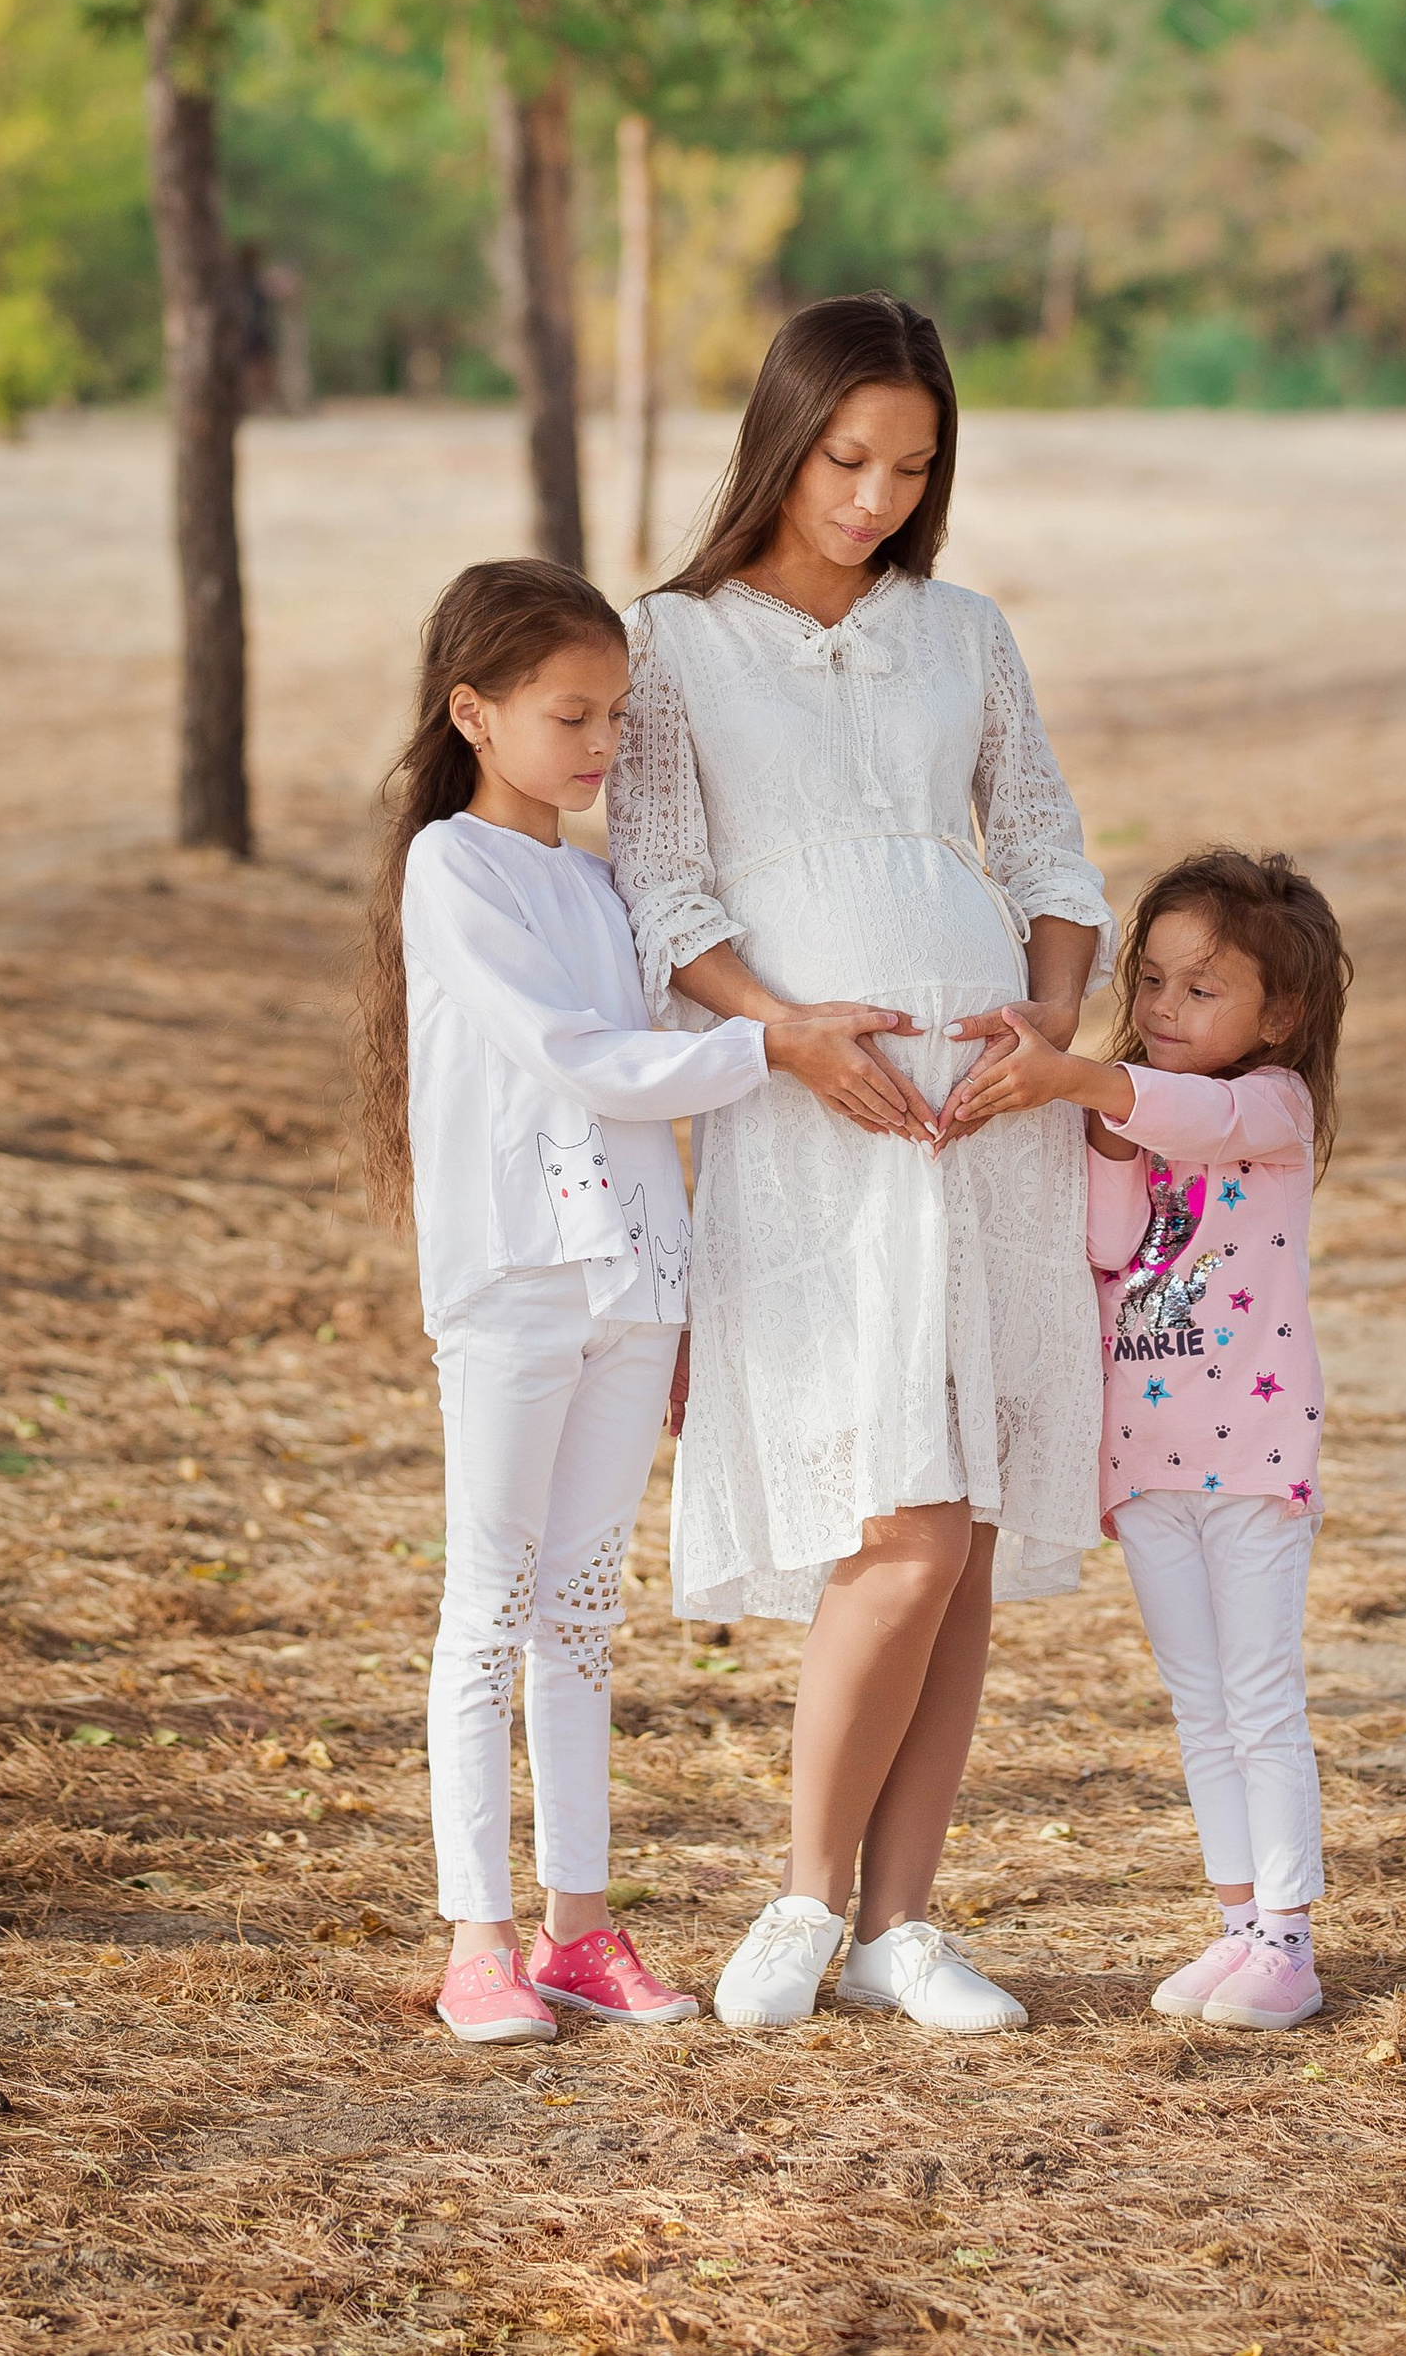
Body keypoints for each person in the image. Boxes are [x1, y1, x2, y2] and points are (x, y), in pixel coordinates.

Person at [606, 294, 1112, 2036]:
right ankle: (805, 1900)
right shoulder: (670, 646)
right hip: (814, 1124)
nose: (877, 498)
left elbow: (1047, 846)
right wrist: (791, 1032)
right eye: (846, 459)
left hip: (984, 1128)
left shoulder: (963, 632)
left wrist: (1048, 1042)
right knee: (891, 1520)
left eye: (911, 468)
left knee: (957, 1528)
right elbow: (664, 892)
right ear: (783, 439)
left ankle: (905, 1926)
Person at [353, 556, 919, 2046]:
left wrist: (675, 1287)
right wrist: (778, 1045)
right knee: (489, 1605)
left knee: (581, 1612)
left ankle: (580, 1926)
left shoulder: (605, 881)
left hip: (631, 1285)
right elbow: (585, 1062)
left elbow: (657, 1074)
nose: (602, 744)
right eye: (570, 713)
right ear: (474, 712)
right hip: (517, 1283)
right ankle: (478, 1934)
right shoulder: (453, 871)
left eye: (616, 713)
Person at [945, 845, 1349, 2033]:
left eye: (1201, 988)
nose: (1164, 1009)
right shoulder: (1125, 1110)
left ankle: (1290, 1935)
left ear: (1278, 1011)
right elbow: (1112, 1244)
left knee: (1260, 1693)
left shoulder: (1273, 1107)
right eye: (1153, 981)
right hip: (1149, 1457)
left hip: (1254, 1455)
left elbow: (1197, 1113)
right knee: (1195, 1696)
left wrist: (1082, 1082)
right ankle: (1237, 1923)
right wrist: (1103, 1120)